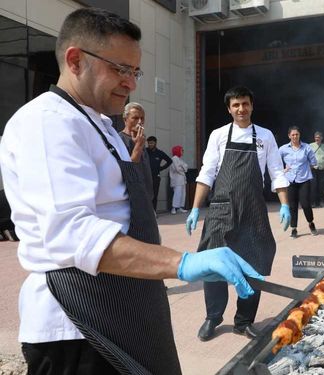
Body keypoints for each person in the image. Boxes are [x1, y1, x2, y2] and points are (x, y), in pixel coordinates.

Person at [0, 8, 261, 374]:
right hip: (79, 327)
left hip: (125, 306)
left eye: (134, 71)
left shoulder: (100, 124)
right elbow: (72, 233)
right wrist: (182, 263)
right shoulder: (48, 123)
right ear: (75, 60)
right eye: (120, 69)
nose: (131, 82)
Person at [185, 86, 291, 342]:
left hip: (253, 210)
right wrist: (196, 208)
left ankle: (244, 322)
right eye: (235, 105)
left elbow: (276, 171)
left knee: (254, 265)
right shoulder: (219, 135)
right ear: (229, 109)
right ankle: (213, 317)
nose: (241, 109)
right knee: (213, 264)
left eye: (245, 104)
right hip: (221, 208)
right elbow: (207, 172)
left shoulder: (265, 136)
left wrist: (285, 204)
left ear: (251, 106)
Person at [279, 126, 318, 238]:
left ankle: (311, 223)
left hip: (304, 179)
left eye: (297, 134)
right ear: (289, 136)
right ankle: (294, 229)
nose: (295, 136)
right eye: (293, 135)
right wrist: (283, 170)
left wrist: (306, 167)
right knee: (292, 206)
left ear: (299, 135)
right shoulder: (283, 149)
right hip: (290, 180)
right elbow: (275, 161)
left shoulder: (307, 147)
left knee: (305, 204)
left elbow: (314, 162)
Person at [119, 102, 153, 202]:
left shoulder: (141, 139)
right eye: (135, 118)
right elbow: (129, 171)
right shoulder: (119, 140)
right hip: (131, 199)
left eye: (142, 118)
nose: (139, 122)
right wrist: (138, 146)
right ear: (125, 119)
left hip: (146, 196)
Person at [146, 135, 172, 211]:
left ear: (155, 143)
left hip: (156, 177)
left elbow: (169, 161)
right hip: (146, 177)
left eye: (152, 143)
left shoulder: (159, 153)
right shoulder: (145, 151)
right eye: (149, 143)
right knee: (146, 195)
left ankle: (154, 211)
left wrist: (160, 168)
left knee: (154, 195)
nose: (150, 144)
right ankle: (147, 212)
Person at [310, 131, 324, 207]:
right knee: (313, 185)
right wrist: (309, 165)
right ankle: (312, 203)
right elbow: (307, 156)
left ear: (322, 138)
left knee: (320, 186)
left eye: (318, 137)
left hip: (321, 169)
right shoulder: (311, 145)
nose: (317, 139)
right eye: (316, 137)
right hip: (313, 168)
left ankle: (318, 203)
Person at [169, 145, 189, 214]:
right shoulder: (174, 158)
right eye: (181, 150)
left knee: (182, 193)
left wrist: (183, 167)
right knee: (177, 193)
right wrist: (183, 167)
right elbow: (178, 168)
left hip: (182, 179)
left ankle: (180, 207)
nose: (183, 152)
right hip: (177, 179)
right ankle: (174, 208)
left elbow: (186, 167)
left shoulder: (179, 159)